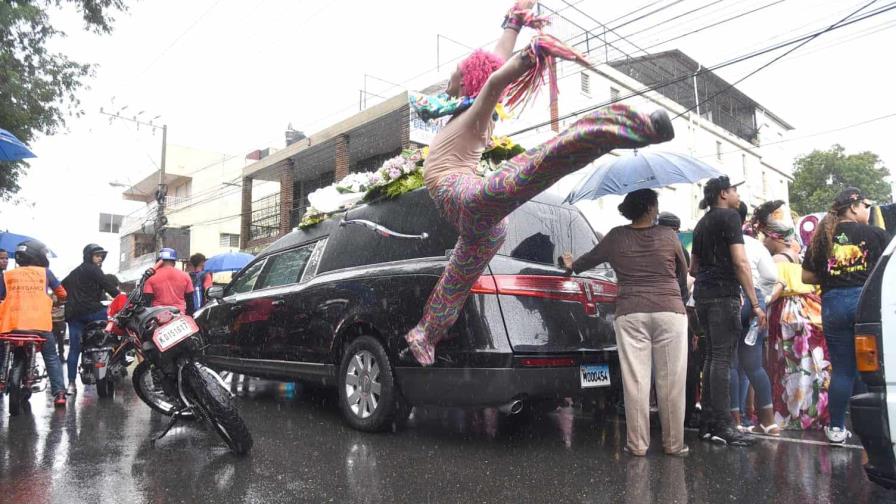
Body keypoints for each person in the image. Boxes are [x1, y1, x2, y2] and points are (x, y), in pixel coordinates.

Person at [402, 0, 675, 365]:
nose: (449, 77)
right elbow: (492, 61)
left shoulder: (474, 110)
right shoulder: (461, 106)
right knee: (456, 280)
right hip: (482, 224)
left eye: (455, 71)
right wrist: (513, 22)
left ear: (468, 79)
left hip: (461, 196)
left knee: (535, 166)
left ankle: (631, 127)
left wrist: (530, 56)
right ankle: (425, 333)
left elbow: (495, 79)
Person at [562, 189, 689, 456]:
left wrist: (570, 265)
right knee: (671, 382)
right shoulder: (668, 235)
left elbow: (585, 262)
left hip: (630, 312)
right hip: (669, 312)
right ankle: (674, 444)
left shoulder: (616, 236)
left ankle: (637, 445)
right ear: (652, 208)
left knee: (636, 381)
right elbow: (682, 275)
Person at [802, 187, 891, 444]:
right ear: (853, 207)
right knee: (873, 367)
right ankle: (876, 427)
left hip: (833, 305)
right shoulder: (875, 234)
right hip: (866, 304)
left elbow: (805, 276)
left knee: (843, 370)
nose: (867, 210)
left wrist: (834, 275)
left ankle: (837, 428)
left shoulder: (822, 237)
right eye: (865, 205)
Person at [690, 175, 765, 447]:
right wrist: (755, 303)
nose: (737, 195)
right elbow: (741, 262)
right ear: (723, 193)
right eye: (735, 190)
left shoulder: (701, 223)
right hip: (724, 295)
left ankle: (710, 423)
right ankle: (723, 424)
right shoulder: (730, 218)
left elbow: (693, 269)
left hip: (703, 294)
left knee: (712, 357)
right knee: (721, 358)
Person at [754, 200, 830, 431]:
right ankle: (812, 414)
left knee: (787, 366)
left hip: (787, 313)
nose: (763, 242)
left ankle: (791, 414)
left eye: (765, 238)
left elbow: (773, 289)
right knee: (810, 365)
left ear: (774, 237)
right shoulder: (800, 257)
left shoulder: (776, 260)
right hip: (811, 311)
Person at [729, 202, 779, 435]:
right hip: (755, 300)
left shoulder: (718, 243)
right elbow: (772, 276)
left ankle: (734, 420)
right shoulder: (754, 244)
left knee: (728, 363)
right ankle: (768, 422)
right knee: (754, 366)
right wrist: (761, 298)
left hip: (730, 299)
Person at [0, 240, 68, 406]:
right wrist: (58, 302)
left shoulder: (7, 275)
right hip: (39, 326)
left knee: (3, 354)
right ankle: (59, 394)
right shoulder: (45, 273)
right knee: (51, 357)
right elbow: (62, 293)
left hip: (11, 325)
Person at [62, 243, 120, 394]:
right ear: (89, 256)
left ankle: (71, 384)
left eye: (101, 256)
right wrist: (123, 300)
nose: (100, 258)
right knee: (113, 333)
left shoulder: (74, 273)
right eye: (97, 255)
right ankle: (116, 363)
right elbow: (109, 287)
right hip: (93, 312)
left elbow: (61, 288)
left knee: (74, 349)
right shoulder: (93, 269)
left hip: (74, 315)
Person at [143, 248, 195, 315]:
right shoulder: (185, 276)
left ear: (159, 261)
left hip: (158, 316)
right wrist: (189, 316)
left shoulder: (151, 277)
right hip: (179, 314)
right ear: (174, 262)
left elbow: (147, 302)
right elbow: (190, 302)